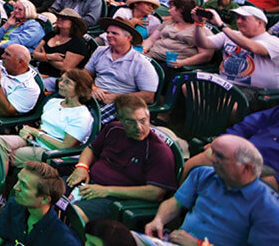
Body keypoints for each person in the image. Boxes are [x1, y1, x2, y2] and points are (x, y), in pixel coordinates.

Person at [143, 135, 279, 246]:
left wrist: (199, 245)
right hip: (172, 242)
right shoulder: (203, 174)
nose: (212, 159)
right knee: (130, 238)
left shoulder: (267, 206)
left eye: (220, 156)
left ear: (246, 168)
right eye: (213, 153)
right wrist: (159, 220)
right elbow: (176, 202)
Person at [65, 93, 176, 222]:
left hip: (116, 198)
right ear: (119, 118)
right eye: (130, 121)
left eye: (143, 120)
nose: (138, 128)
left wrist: (107, 191)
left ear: (149, 116)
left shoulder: (159, 151)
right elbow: (91, 149)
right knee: (49, 190)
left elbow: (155, 193)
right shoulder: (114, 129)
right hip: (88, 184)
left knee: (74, 214)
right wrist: (82, 167)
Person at [0, 68, 94, 170]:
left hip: (54, 153)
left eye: (67, 82)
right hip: (37, 141)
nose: (61, 84)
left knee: (7, 154)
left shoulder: (82, 116)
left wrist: (36, 133)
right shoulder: (53, 102)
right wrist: (30, 133)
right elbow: (43, 128)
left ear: (81, 89)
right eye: (61, 79)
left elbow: (65, 147)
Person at [0, 162, 81, 246]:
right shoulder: (14, 205)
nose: (16, 187)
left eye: (24, 185)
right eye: (18, 180)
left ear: (44, 199)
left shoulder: (63, 239)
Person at [195, 5, 279, 90]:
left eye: (243, 19)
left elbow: (254, 48)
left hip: (256, 90)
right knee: (192, 85)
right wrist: (198, 24)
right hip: (225, 84)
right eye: (238, 18)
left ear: (260, 23)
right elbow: (203, 43)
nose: (238, 21)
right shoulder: (231, 34)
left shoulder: (273, 41)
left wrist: (222, 25)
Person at [85, 17, 159, 109]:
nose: (109, 35)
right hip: (94, 95)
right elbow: (85, 74)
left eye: (114, 33)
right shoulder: (100, 51)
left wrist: (115, 98)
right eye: (108, 32)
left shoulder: (141, 63)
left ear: (128, 38)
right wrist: (93, 88)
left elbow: (149, 96)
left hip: (121, 104)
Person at [143, 0, 210, 69]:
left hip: (174, 64)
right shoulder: (168, 23)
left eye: (172, 8)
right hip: (152, 57)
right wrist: (143, 50)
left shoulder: (200, 30)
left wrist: (183, 62)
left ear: (180, 10)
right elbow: (152, 39)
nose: (169, 11)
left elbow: (205, 55)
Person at [34, 9, 91, 90]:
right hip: (39, 71)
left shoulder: (78, 43)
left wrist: (45, 57)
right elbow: (35, 55)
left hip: (58, 79)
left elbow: (65, 68)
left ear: (73, 23)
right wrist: (49, 56)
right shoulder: (51, 34)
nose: (59, 19)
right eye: (58, 17)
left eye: (64, 18)